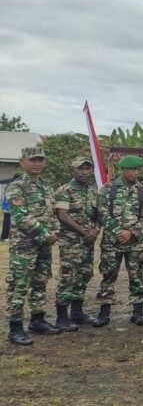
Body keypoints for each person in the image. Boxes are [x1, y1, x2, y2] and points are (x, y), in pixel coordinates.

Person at [5, 147, 61, 345]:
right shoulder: (16, 187)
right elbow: (20, 217)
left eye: (40, 160)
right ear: (22, 161)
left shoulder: (46, 186)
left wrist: (54, 231)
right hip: (24, 246)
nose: (37, 163)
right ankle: (15, 327)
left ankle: (37, 320)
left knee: (40, 282)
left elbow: (51, 213)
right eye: (33, 160)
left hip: (44, 246)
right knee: (19, 285)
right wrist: (46, 235)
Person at [93, 154, 143, 327]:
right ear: (124, 170)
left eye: (138, 170)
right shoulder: (107, 189)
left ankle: (138, 312)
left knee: (136, 276)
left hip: (135, 243)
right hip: (112, 242)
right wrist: (118, 231)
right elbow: (102, 213)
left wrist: (131, 232)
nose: (137, 173)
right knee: (108, 276)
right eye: (133, 170)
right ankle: (104, 313)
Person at [53, 157, 101, 332]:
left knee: (84, 275)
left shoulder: (92, 191)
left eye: (88, 169)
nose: (85, 172)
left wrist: (96, 230)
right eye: (81, 169)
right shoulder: (64, 190)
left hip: (88, 242)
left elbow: (99, 214)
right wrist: (83, 232)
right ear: (72, 170)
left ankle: (77, 312)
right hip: (71, 243)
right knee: (68, 276)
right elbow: (63, 216)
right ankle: (61, 316)